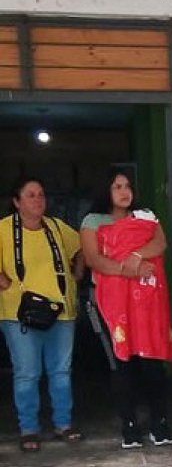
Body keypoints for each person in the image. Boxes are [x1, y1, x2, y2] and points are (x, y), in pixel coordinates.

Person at [80, 169, 172, 449]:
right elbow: (93, 259)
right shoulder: (93, 221)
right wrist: (127, 270)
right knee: (123, 364)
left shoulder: (144, 215)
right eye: (117, 187)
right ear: (105, 191)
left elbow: (160, 243)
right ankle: (129, 425)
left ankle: (160, 421)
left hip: (146, 302)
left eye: (127, 186)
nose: (124, 192)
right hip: (113, 302)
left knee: (152, 362)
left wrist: (136, 255)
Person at [0, 178, 83, 452]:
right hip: (19, 314)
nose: (38, 200)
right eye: (31, 195)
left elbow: (82, 248)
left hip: (60, 311)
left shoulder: (57, 227)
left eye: (41, 195)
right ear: (17, 202)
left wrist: (77, 273)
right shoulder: (3, 230)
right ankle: (29, 429)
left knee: (61, 371)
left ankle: (64, 423)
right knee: (27, 373)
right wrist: (5, 283)